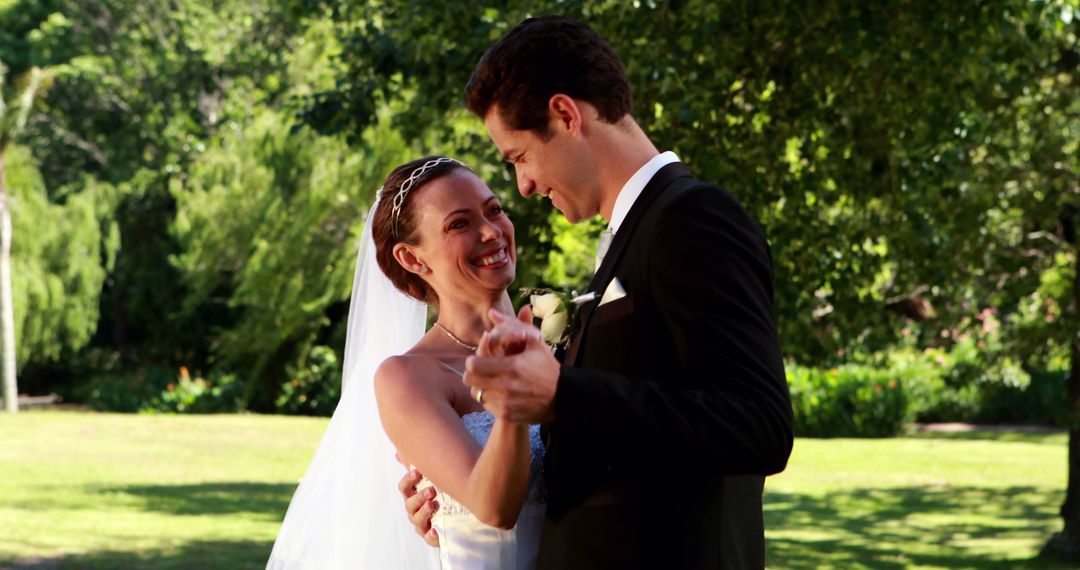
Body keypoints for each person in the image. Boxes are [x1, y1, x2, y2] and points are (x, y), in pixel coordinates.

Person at [401, 16, 795, 569]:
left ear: (565, 115)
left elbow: (759, 426)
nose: (525, 186)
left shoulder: (690, 220)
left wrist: (563, 392)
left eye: (519, 157)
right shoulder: (629, 237)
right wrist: (451, 506)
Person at [267, 157, 546, 569]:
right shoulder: (408, 378)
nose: (491, 231)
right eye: (459, 224)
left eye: (494, 210)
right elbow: (494, 509)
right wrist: (514, 393)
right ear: (413, 259)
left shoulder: (555, 340)